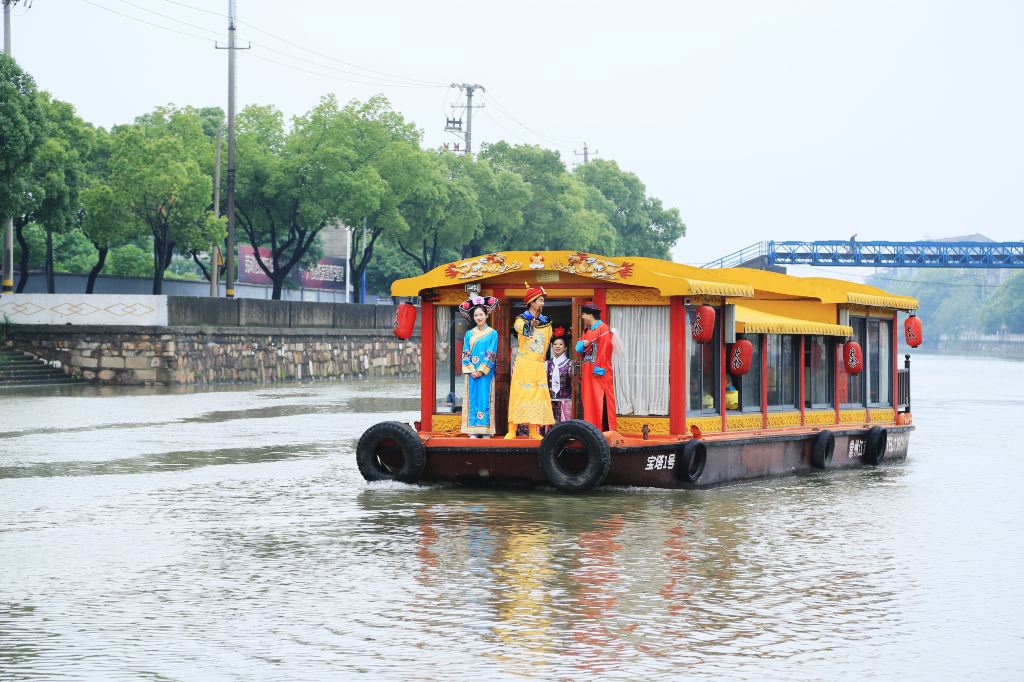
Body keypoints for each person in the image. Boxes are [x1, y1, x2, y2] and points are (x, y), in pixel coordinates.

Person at [506, 285, 555, 439]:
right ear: (532, 302)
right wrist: (530, 325)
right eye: (540, 300)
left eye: (542, 300)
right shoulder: (521, 319)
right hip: (524, 363)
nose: (542, 303)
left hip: (538, 364)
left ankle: (534, 431)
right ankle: (512, 429)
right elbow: (520, 329)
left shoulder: (546, 321)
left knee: (537, 395)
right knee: (520, 394)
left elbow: (546, 343)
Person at [458, 295, 499, 438]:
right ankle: (473, 429)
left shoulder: (493, 333)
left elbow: (491, 353)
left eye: (481, 314)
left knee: (485, 398)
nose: (479, 317)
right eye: (476, 315)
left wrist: (481, 370)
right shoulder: (469, 334)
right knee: (472, 398)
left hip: (486, 373)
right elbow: (465, 353)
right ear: (473, 317)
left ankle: (486, 429)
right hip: (471, 372)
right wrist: (471, 370)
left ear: (487, 315)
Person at [575, 301, 617, 432]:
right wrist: (584, 345)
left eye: (583, 314)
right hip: (588, 371)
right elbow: (578, 348)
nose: (582, 317)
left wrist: (599, 368)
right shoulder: (587, 330)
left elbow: (605, 349)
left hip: (599, 372)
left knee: (601, 399)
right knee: (589, 400)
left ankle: (604, 430)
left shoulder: (603, 328)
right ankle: (591, 429)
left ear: (590, 315)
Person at [546, 328, 573, 428]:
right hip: (549, 400)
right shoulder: (547, 364)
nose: (557, 346)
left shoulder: (570, 364)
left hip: (565, 401)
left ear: (565, 348)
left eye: (560, 344)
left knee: (564, 427)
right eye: (555, 344)